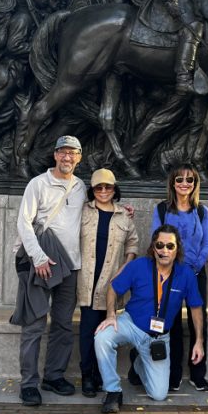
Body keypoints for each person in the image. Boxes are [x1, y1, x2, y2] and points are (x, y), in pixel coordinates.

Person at [94, 225, 204, 412]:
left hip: (158, 337)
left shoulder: (185, 274)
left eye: (170, 246)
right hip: (132, 323)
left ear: (177, 249)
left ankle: (138, 363)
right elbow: (113, 288)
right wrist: (111, 314)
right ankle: (113, 391)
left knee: (159, 395)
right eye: (160, 245)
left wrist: (199, 341)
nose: (164, 250)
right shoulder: (138, 266)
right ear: (153, 247)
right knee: (102, 337)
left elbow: (195, 307)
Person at [11, 136, 86, 406]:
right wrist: (39, 258)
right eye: (63, 153)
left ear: (79, 158)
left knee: (63, 325)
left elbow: (93, 212)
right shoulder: (38, 184)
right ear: (55, 155)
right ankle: (28, 383)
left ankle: (53, 376)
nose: (67, 158)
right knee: (34, 325)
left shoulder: (80, 187)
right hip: (40, 263)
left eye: (73, 154)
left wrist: (122, 210)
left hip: (70, 267)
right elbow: (24, 222)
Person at [77, 168, 139, 398]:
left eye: (108, 187)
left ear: (115, 189)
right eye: (98, 187)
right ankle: (87, 376)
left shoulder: (124, 216)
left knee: (106, 332)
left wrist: (125, 267)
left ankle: (104, 376)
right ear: (92, 191)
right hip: (87, 280)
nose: (103, 191)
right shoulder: (82, 211)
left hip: (111, 282)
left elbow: (133, 243)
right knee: (87, 330)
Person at [151, 164, 208, 391]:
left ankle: (198, 374)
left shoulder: (201, 211)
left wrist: (195, 267)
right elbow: (155, 240)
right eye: (179, 180)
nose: (184, 184)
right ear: (173, 184)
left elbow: (207, 243)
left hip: (196, 272)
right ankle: (174, 374)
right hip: (170, 273)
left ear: (195, 184)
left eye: (189, 180)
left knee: (199, 322)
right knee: (172, 323)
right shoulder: (161, 209)